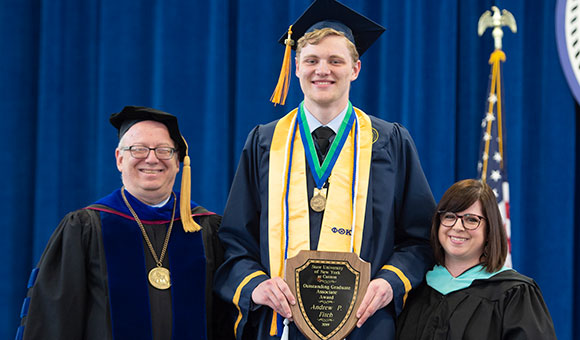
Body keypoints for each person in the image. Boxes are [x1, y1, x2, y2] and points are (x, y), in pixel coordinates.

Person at [214, 0, 436, 339]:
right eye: (312, 60)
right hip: (283, 324)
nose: (323, 70)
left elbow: (420, 240)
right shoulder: (265, 143)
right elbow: (235, 241)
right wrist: (256, 286)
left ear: (355, 68)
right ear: (297, 67)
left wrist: (390, 282)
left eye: (336, 61)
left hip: (365, 325)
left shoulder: (390, 143)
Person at [15, 106, 230, 340]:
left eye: (163, 150)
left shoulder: (205, 229)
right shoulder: (85, 228)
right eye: (138, 149)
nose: (151, 158)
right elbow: (53, 321)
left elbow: (227, 320)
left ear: (178, 161)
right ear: (119, 159)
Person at [396, 179, 557, 339]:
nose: (458, 227)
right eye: (450, 216)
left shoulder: (513, 294)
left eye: (471, 219)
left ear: (489, 230)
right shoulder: (415, 288)